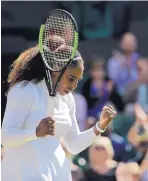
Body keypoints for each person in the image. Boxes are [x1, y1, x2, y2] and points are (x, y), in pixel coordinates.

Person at [1, 44, 117, 181]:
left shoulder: (68, 99)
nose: (74, 86)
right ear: (55, 71)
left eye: (77, 81)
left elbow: (73, 145)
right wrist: (35, 132)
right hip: (22, 174)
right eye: (71, 79)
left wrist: (100, 126)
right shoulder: (25, 90)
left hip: (57, 173)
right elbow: (6, 138)